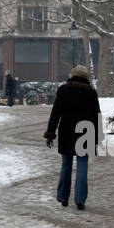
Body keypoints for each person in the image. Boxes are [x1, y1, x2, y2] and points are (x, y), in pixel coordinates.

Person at [44, 65, 102, 209]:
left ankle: (63, 197)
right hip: (86, 133)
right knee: (83, 166)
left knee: (66, 165)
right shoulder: (91, 93)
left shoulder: (63, 90)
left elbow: (56, 112)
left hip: (67, 132)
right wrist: (97, 136)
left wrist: (51, 132)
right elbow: (97, 116)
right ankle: (80, 200)